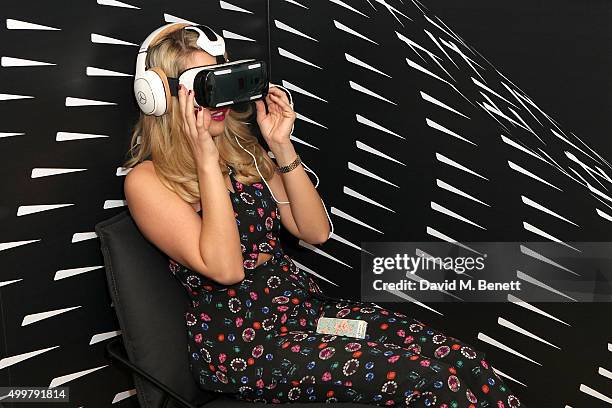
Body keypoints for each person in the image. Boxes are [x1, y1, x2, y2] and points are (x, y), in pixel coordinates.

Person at [123, 26, 524, 408]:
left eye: (220, 83)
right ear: (159, 96)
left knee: (456, 357)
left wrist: (280, 146)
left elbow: (315, 231)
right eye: (203, 87)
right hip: (245, 345)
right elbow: (226, 269)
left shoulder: (241, 151)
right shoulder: (148, 180)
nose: (219, 101)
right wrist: (206, 164)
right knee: (425, 378)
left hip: (306, 313)